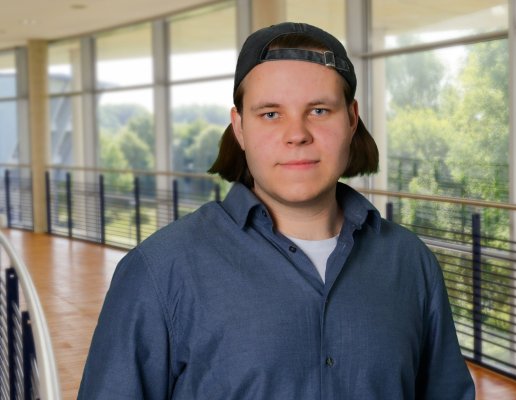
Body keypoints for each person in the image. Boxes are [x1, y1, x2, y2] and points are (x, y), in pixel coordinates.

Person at [78, 22, 475, 400]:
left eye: (319, 110)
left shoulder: (409, 262)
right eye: (271, 114)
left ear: (352, 119)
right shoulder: (160, 271)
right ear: (240, 127)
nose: (297, 134)